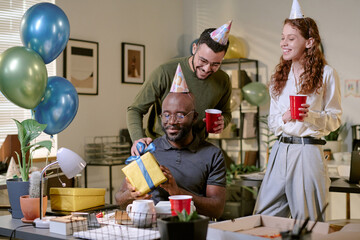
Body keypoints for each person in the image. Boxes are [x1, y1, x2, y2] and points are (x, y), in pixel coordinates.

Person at [254, 0, 342, 222]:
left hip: (307, 152)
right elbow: (273, 124)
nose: (284, 43)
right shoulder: (278, 78)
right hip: (280, 150)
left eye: (291, 38)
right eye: (282, 37)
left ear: (309, 42)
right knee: (263, 217)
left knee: (309, 222)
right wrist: (286, 116)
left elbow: (335, 120)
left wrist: (309, 116)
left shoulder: (327, 74)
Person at [116, 90, 226, 219]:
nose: (172, 121)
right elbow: (119, 199)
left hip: (192, 228)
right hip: (151, 230)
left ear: (194, 117)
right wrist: (131, 195)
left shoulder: (212, 154)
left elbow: (216, 210)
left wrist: (176, 192)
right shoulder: (149, 150)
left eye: (180, 115)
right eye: (166, 115)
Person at [127, 21, 233, 155]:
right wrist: (137, 138)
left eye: (215, 64)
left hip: (197, 151)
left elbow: (226, 112)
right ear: (194, 48)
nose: (207, 69)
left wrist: (223, 122)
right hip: (159, 149)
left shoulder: (223, 80)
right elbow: (135, 109)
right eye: (203, 61)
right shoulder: (164, 72)